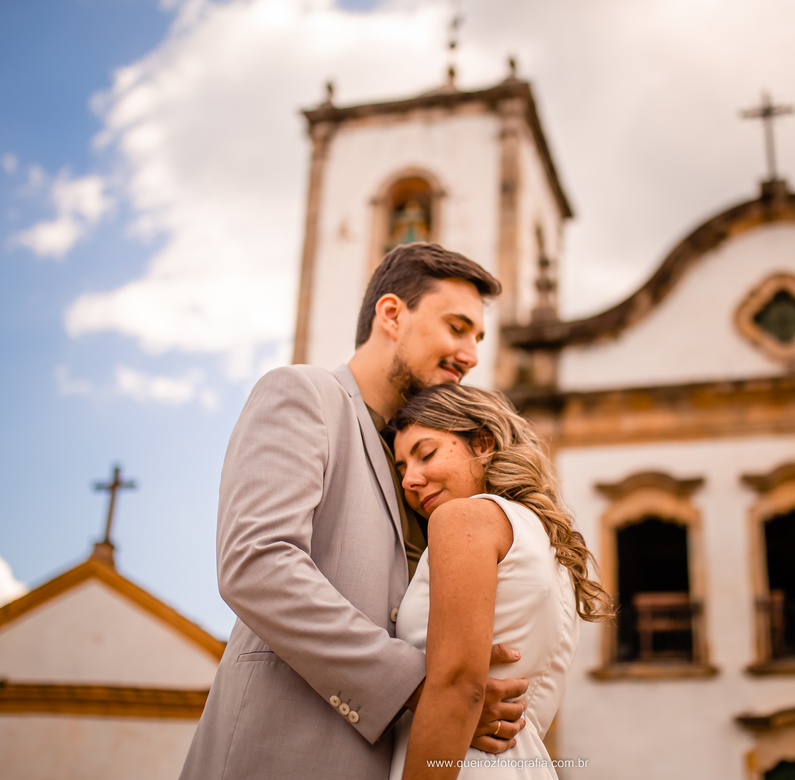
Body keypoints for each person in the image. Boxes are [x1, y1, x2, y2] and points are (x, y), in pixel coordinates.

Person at [180, 243, 528, 780]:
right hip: (276, 756)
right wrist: (424, 687)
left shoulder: (431, 471)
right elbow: (257, 563)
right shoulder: (303, 395)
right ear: (392, 314)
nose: (471, 354)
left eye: (478, 338)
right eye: (457, 327)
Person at [389, 384, 615, 779]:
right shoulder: (551, 547)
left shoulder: (462, 519)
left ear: (482, 444)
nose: (410, 480)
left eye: (426, 454)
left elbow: (459, 684)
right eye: (402, 468)